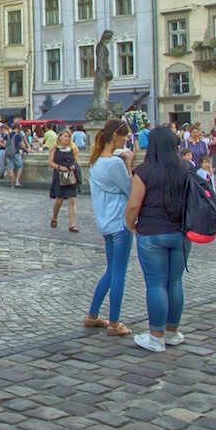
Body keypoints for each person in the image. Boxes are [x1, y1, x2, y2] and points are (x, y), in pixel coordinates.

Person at [124, 126, 190, 353]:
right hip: (181, 232)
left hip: (152, 232)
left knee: (155, 283)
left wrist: (130, 224)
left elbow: (134, 205)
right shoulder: (186, 168)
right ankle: (173, 332)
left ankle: (156, 336)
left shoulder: (144, 171)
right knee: (175, 282)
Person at [84, 119, 133, 337]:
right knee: (119, 272)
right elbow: (130, 189)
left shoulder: (95, 161)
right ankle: (114, 322)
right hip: (120, 222)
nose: (126, 140)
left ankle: (93, 315)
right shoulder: (115, 164)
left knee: (111, 269)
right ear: (116, 137)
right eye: (125, 136)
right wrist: (128, 163)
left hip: (105, 222)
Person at [48, 129, 81, 232]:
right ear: (60, 137)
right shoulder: (55, 149)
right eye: (65, 136)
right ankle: (54, 217)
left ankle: (72, 224)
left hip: (71, 176)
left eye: (69, 136)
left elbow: (77, 162)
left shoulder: (73, 148)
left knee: (72, 199)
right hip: (60, 176)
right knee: (59, 200)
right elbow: (50, 162)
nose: (67, 138)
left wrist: (74, 167)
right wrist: (59, 167)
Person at [7, 122, 27, 188]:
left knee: (11, 168)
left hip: (9, 153)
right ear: (17, 128)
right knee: (20, 166)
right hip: (16, 153)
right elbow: (22, 145)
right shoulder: (18, 135)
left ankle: (12, 184)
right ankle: (17, 181)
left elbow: (1, 141)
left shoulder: (8, 135)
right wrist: (27, 149)